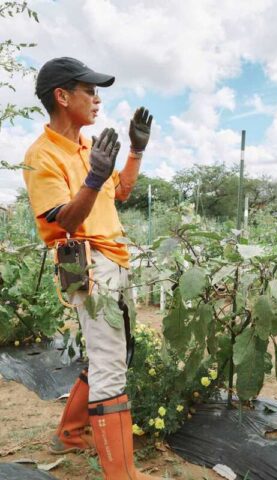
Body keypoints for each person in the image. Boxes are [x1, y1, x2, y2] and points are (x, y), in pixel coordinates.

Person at [23, 57, 156, 479]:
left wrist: (135, 151)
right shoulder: (42, 156)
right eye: (89, 91)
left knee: (113, 353)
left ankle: (72, 431)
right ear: (62, 96)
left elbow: (123, 192)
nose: (97, 100)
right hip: (87, 263)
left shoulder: (87, 147)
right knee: (110, 363)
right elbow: (62, 219)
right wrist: (94, 180)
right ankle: (122, 474)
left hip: (114, 258)